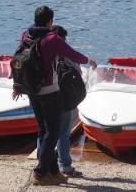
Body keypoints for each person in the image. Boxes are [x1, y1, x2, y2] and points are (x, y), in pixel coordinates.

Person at [15, 5, 94, 185]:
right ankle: (40, 172)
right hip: (49, 91)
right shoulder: (52, 38)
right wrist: (89, 60)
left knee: (43, 130)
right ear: (50, 21)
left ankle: (53, 171)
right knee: (54, 131)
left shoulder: (25, 35)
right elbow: (72, 54)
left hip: (32, 90)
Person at [52, 25, 84, 178]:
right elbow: (78, 71)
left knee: (44, 132)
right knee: (63, 134)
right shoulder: (66, 54)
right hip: (63, 98)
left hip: (44, 96)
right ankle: (65, 166)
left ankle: (43, 164)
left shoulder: (41, 50)